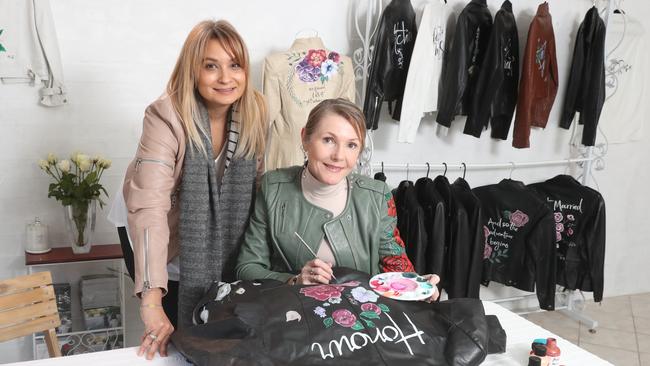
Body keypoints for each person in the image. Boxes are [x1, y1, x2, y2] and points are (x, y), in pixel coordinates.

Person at [120, 19, 267, 360]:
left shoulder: (255, 110)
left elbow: (257, 186)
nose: (226, 78)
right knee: (170, 325)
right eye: (211, 66)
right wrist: (152, 300)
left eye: (235, 65)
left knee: (221, 324)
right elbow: (150, 207)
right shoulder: (165, 115)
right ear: (192, 70)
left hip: (215, 231)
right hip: (155, 227)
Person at [235, 98, 440, 296]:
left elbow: (394, 264)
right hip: (292, 318)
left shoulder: (377, 196)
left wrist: (418, 285)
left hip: (362, 320)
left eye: (351, 145)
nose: (339, 156)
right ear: (305, 138)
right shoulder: (273, 187)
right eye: (328, 140)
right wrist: (293, 281)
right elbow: (247, 267)